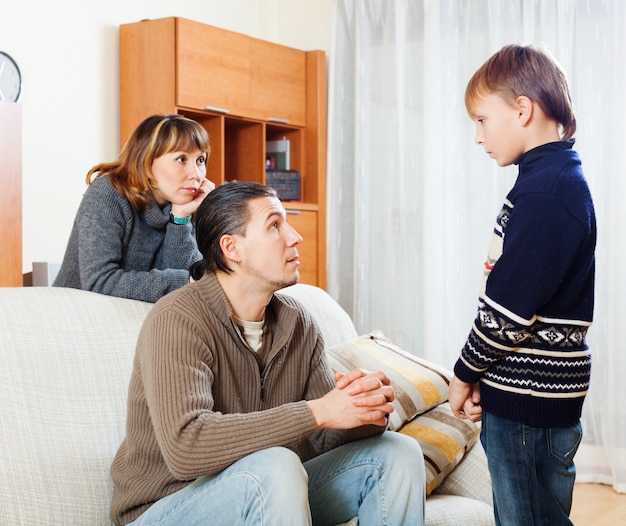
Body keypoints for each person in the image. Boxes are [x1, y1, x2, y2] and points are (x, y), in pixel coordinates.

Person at [110, 181, 426, 526]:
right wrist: (319, 411)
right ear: (232, 248)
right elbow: (187, 447)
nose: (294, 237)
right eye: (275, 225)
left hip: (266, 490)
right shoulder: (178, 318)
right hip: (166, 508)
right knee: (276, 464)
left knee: (398, 453)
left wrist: (363, 410)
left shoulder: (298, 321)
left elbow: (322, 436)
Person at [448, 44, 596, 526]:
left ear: (522, 109)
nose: (478, 136)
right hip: (526, 393)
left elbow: (509, 308)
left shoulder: (548, 191)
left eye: (481, 120)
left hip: (528, 407)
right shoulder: (550, 181)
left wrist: (465, 373)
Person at [53, 113, 215, 302]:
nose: (196, 174)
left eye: (200, 160)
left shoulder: (187, 204)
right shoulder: (108, 194)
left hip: (138, 321)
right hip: (78, 318)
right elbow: (99, 282)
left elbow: (184, 295)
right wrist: (188, 281)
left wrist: (179, 219)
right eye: (181, 159)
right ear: (146, 161)